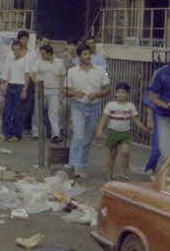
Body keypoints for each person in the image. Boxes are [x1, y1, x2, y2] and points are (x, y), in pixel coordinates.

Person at [65, 44, 111, 179]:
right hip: (78, 106)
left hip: (94, 107)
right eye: (84, 54)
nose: (88, 56)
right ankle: (73, 166)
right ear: (79, 57)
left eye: (89, 54)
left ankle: (81, 166)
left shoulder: (101, 70)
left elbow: (108, 89)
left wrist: (97, 94)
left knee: (87, 139)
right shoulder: (71, 71)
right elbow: (65, 90)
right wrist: (74, 92)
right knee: (78, 136)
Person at [97, 82, 151, 181]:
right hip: (112, 132)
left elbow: (135, 119)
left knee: (126, 153)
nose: (121, 94)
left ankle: (124, 173)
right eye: (119, 92)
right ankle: (109, 173)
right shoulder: (110, 105)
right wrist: (99, 130)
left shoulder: (130, 106)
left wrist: (144, 128)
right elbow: (104, 119)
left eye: (123, 92)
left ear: (128, 94)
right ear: (115, 93)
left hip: (125, 133)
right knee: (112, 154)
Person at [33, 42, 66, 143]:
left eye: (43, 54)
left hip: (54, 90)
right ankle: (36, 132)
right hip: (41, 89)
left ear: (49, 53)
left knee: (54, 113)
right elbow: (33, 74)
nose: (42, 56)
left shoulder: (59, 62)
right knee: (38, 111)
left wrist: (62, 90)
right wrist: (37, 85)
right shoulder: (38, 62)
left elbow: (63, 76)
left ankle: (55, 135)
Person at [0, 40, 29, 142]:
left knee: (18, 112)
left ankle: (16, 134)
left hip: (20, 87)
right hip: (10, 86)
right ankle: (5, 133)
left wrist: (25, 90)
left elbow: (27, 77)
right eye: (14, 49)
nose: (15, 51)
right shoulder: (11, 60)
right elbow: (8, 75)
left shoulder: (25, 60)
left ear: (21, 49)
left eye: (17, 49)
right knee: (7, 111)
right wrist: (4, 87)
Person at [17, 30, 39, 138]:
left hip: (30, 80)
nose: (24, 41)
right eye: (22, 38)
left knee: (29, 105)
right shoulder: (15, 52)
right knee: (18, 104)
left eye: (26, 38)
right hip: (18, 79)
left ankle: (27, 126)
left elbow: (34, 67)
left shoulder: (33, 53)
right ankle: (18, 126)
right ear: (19, 39)